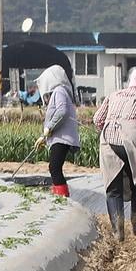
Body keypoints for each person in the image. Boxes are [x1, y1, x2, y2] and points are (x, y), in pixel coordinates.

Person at [94, 66, 136, 239]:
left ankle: (118, 231)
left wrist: (108, 129)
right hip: (135, 140)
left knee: (113, 188)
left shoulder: (114, 95)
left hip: (109, 139)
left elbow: (97, 119)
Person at [33, 65, 80, 197]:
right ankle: (59, 195)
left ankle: (62, 197)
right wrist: (44, 137)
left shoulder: (59, 91)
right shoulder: (59, 92)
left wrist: (48, 128)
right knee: (54, 168)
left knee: (54, 168)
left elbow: (61, 111)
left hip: (63, 138)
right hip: (59, 137)